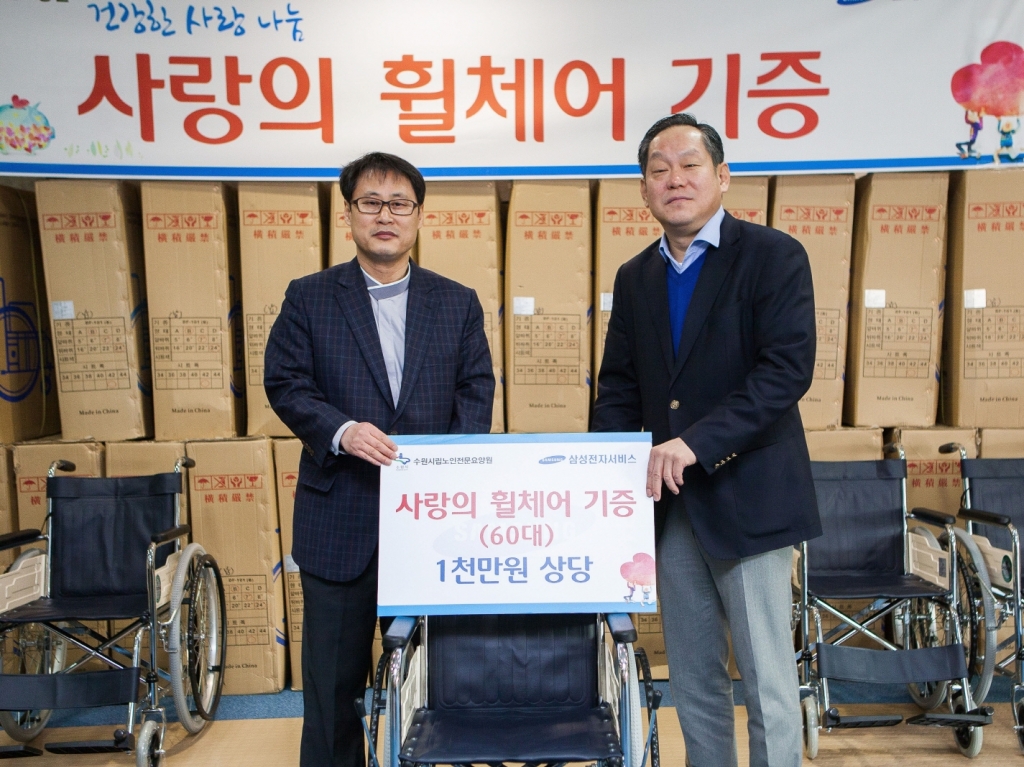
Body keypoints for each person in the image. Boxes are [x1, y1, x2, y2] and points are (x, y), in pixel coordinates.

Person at [592, 113, 821, 767]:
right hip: (671, 507)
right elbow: (620, 386)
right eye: (659, 170)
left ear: (721, 176)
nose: (675, 179)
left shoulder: (773, 256)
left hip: (750, 497)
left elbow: (785, 372)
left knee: (767, 679)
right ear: (643, 189)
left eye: (690, 165)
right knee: (693, 679)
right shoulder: (635, 276)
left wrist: (694, 443)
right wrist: (601, 472)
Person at [264, 152, 494, 767]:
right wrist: (340, 431)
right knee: (332, 693)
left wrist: (447, 471)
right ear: (348, 214)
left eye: (399, 204)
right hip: (339, 520)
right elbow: (285, 382)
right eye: (371, 202)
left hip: (431, 527)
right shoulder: (309, 297)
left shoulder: (457, 302)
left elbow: (476, 391)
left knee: (434, 688)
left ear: (418, 216)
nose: (385, 215)